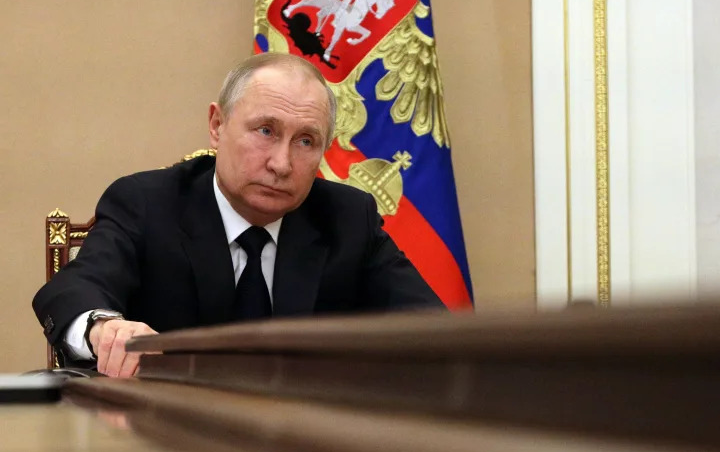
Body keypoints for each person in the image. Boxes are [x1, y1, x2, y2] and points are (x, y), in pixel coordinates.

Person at [33, 53, 442, 378]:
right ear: (217, 125)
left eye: (305, 141)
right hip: (163, 443)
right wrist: (104, 328)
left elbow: (429, 328)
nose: (281, 164)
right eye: (265, 131)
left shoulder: (349, 217)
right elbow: (74, 288)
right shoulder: (147, 202)